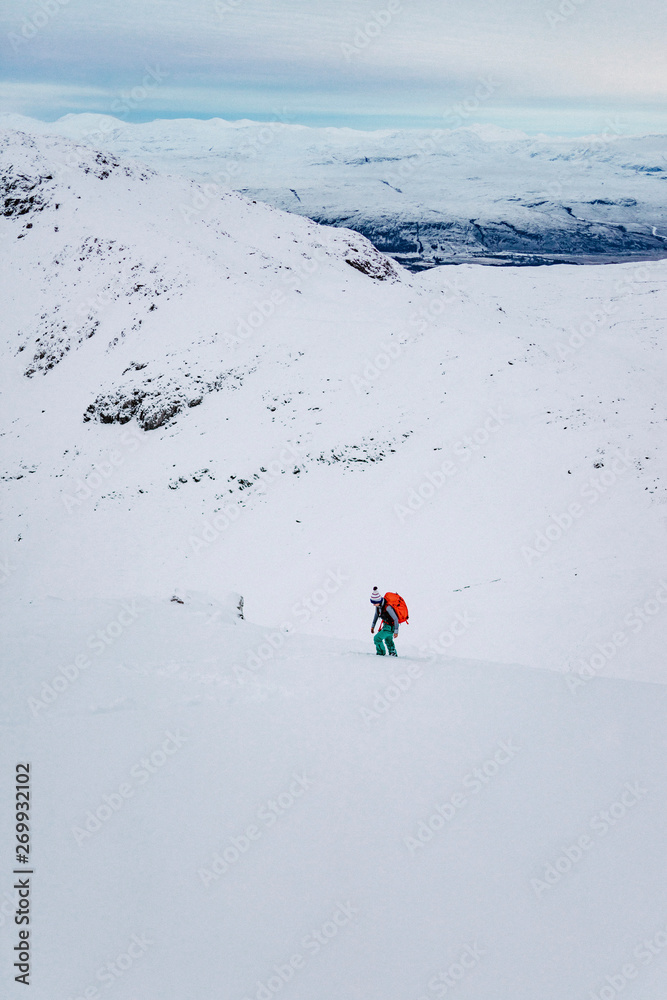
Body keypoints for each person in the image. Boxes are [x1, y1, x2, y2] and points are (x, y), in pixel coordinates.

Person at [370, 587, 398, 656]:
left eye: (374, 603)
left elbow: (395, 618)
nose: (373, 604)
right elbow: (376, 615)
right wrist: (373, 626)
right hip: (386, 626)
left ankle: (381, 653)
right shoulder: (378, 607)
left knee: (377, 638)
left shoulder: (388, 607)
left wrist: (396, 631)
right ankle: (393, 653)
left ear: (378, 601)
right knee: (388, 640)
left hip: (390, 627)